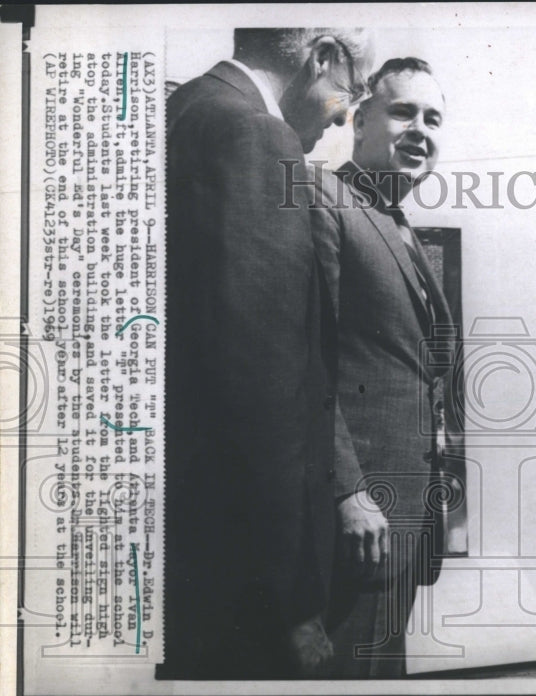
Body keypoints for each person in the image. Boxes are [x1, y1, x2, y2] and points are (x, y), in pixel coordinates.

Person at [162, 28, 373, 679]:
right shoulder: (260, 134)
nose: (342, 116)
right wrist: (292, 602)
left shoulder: (186, 109)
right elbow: (263, 384)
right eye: (350, 93)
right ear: (322, 58)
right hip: (242, 577)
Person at [310, 57, 456, 677]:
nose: (420, 129)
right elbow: (302, 362)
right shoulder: (323, 197)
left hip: (406, 524)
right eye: (402, 112)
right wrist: (346, 489)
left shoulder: (397, 224)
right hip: (356, 523)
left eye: (433, 118)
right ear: (361, 118)